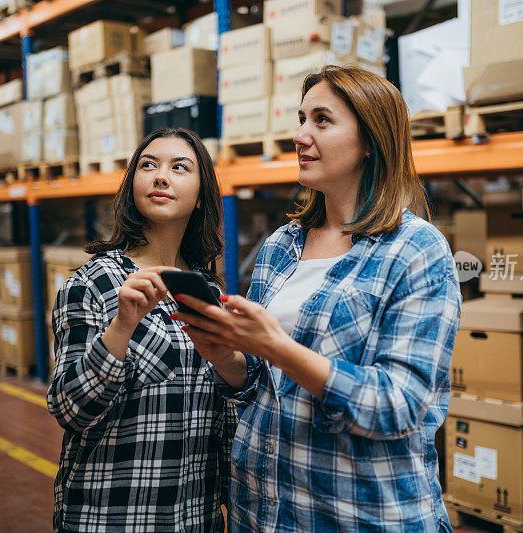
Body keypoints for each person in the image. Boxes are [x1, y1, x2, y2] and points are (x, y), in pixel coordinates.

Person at [173, 66, 461, 531]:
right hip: (263, 511)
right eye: (301, 118)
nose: (300, 135)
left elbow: (401, 406)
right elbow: (260, 387)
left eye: (322, 121)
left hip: (358, 513)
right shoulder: (281, 246)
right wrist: (227, 357)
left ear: (370, 139)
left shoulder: (416, 251)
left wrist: (276, 348)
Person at [47, 128, 236, 532]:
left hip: (194, 519)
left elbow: (224, 422)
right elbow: (69, 409)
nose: (160, 176)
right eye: (148, 165)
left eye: (179, 167)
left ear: (202, 194)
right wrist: (122, 324)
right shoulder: (93, 283)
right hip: (110, 518)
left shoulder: (207, 291)